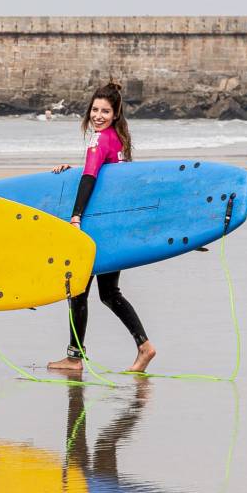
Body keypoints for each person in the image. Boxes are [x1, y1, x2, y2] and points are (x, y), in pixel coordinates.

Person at [47, 81, 156, 373]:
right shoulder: (118, 140)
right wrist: (72, 172)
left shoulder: (99, 139)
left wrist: (76, 216)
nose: (98, 115)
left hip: (97, 228)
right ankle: (144, 346)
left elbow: (92, 178)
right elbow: (104, 175)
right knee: (109, 293)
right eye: (95, 110)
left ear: (115, 113)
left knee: (79, 291)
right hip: (114, 229)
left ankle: (74, 358)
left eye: (104, 111)